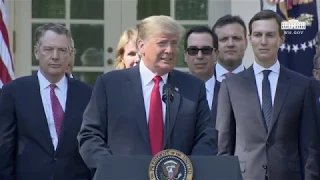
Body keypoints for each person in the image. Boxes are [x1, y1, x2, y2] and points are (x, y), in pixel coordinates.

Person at [77, 15, 218, 174]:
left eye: (174, 43)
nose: (170, 50)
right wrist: (112, 169)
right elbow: (90, 136)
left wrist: (186, 172)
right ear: (141, 45)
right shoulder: (110, 85)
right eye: (162, 43)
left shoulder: (192, 87)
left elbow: (207, 137)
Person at [216, 10, 319, 180]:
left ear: (281, 38)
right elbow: (224, 146)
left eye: (270, 35)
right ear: (250, 39)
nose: (263, 41)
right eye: (258, 35)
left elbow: (310, 147)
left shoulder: (302, 85)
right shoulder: (231, 85)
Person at [0, 23, 92, 180]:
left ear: (70, 55)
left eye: (62, 50)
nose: (55, 56)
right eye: (48, 49)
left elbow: (92, 144)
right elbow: (5, 148)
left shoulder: (88, 94)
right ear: (37, 52)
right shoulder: (13, 92)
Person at [184, 25, 220, 132]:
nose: (199, 56)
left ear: (216, 54)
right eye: (193, 50)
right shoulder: (173, 94)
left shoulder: (230, 93)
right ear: (185, 55)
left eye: (206, 50)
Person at [212, 15, 247, 82]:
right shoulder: (201, 81)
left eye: (236, 38)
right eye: (223, 39)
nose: (230, 44)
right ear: (214, 45)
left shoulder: (257, 81)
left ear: (246, 43)